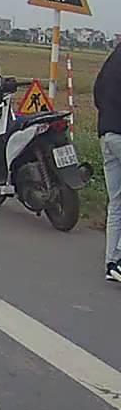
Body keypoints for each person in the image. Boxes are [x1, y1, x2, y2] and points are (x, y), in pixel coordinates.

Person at [94, 42, 121, 282]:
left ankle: (111, 262)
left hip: (107, 133)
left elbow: (97, 93)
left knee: (117, 201)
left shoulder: (113, 59)